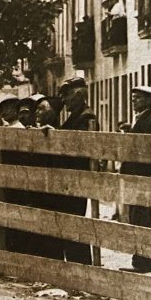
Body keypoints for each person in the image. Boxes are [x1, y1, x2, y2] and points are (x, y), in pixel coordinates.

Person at [119, 86, 151, 273]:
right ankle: (139, 260)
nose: (134, 102)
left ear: (149, 101)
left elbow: (150, 153)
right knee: (136, 218)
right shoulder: (140, 120)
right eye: (133, 98)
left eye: (138, 99)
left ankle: (145, 262)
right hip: (136, 179)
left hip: (145, 179)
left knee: (143, 220)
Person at [50, 76, 98, 264]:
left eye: (67, 95)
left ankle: (81, 266)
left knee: (74, 224)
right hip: (69, 181)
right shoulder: (74, 116)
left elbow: (76, 148)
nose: (64, 100)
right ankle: (76, 265)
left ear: (79, 95)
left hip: (76, 180)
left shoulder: (86, 117)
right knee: (69, 223)